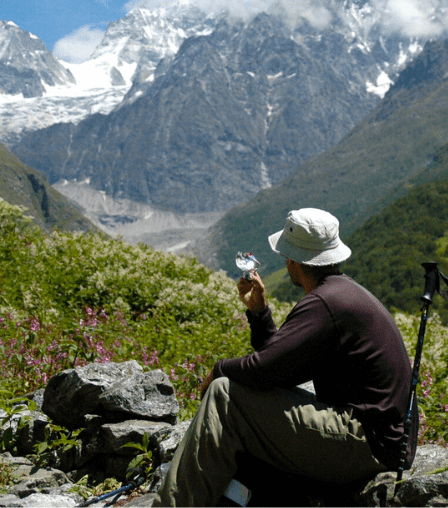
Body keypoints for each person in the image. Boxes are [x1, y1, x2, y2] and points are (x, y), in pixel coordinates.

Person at [155, 208, 417, 507]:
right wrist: (259, 313)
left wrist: (218, 370)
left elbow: (264, 369)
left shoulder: (324, 303)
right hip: (382, 440)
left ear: (293, 260)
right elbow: (281, 366)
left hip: (366, 443)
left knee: (224, 395)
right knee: (235, 393)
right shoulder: (341, 295)